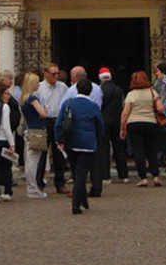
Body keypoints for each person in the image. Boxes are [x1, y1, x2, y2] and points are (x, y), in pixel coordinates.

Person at [55, 79, 105, 215]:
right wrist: (97, 139)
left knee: (76, 171)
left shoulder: (68, 103)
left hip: (71, 142)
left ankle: (82, 200)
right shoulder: (93, 106)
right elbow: (100, 126)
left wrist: (59, 139)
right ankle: (76, 204)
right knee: (81, 173)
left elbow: (59, 123)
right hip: (88, 143)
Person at [121, 71, 163, 187]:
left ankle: (143, 178)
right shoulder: (152, 92)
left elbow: (125, 113)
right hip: (150, 123)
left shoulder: (131, 94)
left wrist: (122, 128)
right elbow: (160, 108)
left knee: (138, 151)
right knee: (151, 150)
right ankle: (156, 176)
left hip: (134, 123)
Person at [36, 63, 69, 194]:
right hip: (44, 121)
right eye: (53, 73)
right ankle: (39, 183)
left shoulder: (63, 87)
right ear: (46, 74)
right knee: (42, 154)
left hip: (58, 121)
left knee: (59, 154)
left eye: (57, 73)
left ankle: (60, 182)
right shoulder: (39, 88)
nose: (56, 76)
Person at [19, 72, 48, 199]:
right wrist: (45, 109)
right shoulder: (32, 98)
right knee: (33, 161)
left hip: (29, 129)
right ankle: (32, 188)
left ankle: (32, 187)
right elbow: (43, 114)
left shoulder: (23, 99)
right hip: (36, 130)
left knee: (30, 159)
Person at [98, 67, 128, 183]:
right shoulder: (119, 89)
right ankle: (123, 175)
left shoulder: (100, 90)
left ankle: (105, 175)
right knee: (119, 148)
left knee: (104, 149)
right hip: (117, 121)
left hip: (104, 122)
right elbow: (122, 105)